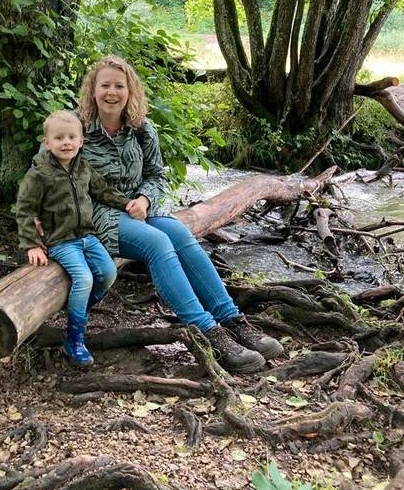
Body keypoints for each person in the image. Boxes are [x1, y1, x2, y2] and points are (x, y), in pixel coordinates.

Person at [77, 55, 284, 374]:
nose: (112, 92)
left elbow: (157, 175)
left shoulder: (141, 129)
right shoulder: (75, 128)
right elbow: (46, 175)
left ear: (130, 91)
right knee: (157, 244)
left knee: (180, 236)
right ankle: (206, 332)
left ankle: (232, 320)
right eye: (105, 85)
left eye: (120, 86)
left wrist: (145, 199)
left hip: (139, 210)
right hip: (93, 217)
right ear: (93, 90)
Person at [16, 110, 131, 367]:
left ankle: (77, 313)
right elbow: (24, 209)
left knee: (109, 272)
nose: (65, 142)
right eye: (59, 138)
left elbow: (103, 191)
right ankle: (74, 338)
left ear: (81, 141)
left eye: (71, 137)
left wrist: (127, 205)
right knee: (84, 278)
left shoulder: (83, 168)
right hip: (61, 240)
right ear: (47, 143)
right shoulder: (39, 174)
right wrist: (32, 244)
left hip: (87, 236)